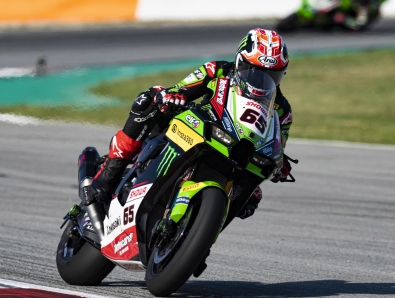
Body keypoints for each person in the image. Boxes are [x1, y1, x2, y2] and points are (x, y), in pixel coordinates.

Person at [87, 28, 293, 220]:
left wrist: (281, 165)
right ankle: (109, 173)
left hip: (236, 151)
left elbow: (277, 146)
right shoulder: (218, 70)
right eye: (253, 71)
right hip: (199, 128)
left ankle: (196, 246)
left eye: (270, 75)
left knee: (251, 198)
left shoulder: (282, 110)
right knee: (148, 101)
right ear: (239, 62)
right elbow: (182, 88)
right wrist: (173, 97)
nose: (260, 80)